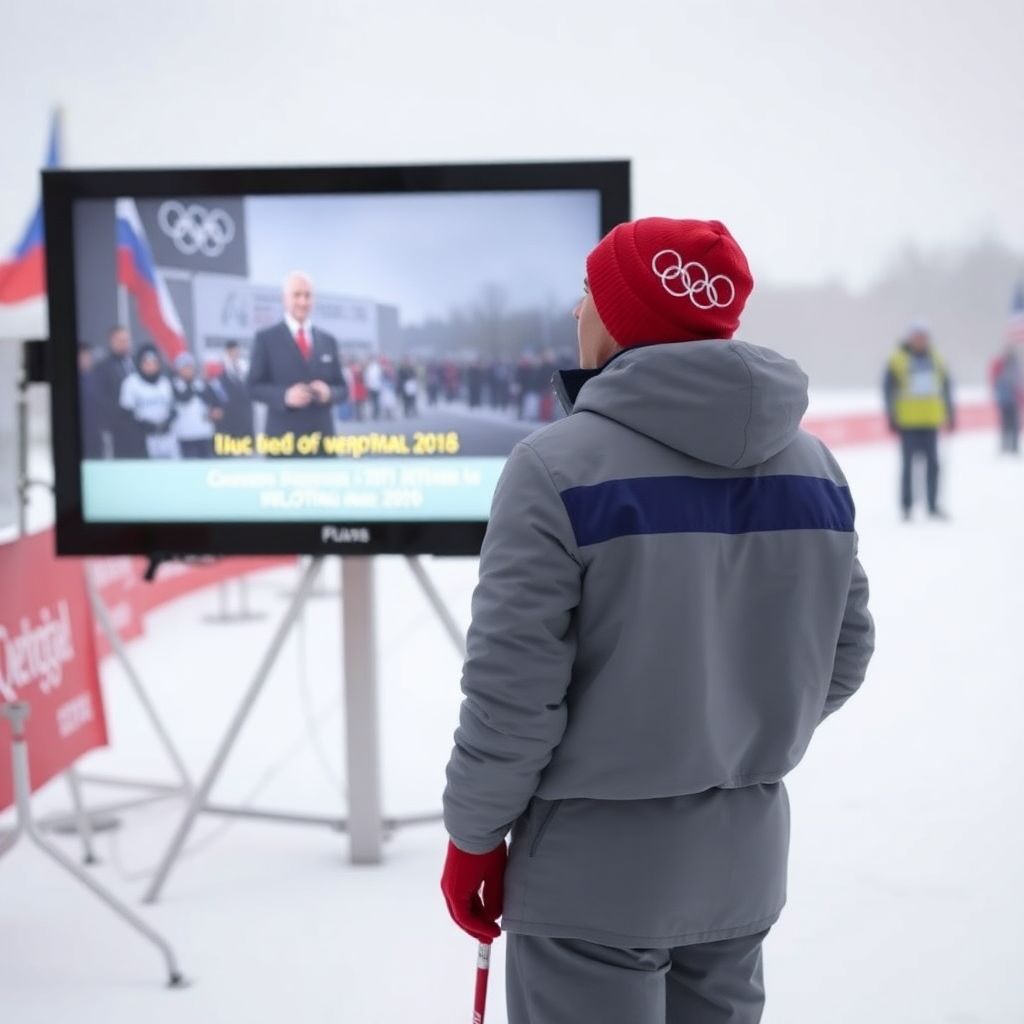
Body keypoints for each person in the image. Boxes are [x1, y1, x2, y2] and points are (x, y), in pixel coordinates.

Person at [440, 218, 875, 1024]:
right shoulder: (815, 467)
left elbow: (513, 693)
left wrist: (473, 836)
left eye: (589, 296)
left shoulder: (553, 468)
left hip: (589, 877)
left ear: (621, 320)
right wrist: (734, 731)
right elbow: (843, 653)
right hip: (743, 863)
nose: (577, 313)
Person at [247, 271, 347, 453]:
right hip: (283, 442)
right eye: (297, 295)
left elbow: (343, 388)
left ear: (313, 299)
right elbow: (252, 387)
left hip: (323, 442)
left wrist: (329, 393)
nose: (303, 302)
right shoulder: (266, 339)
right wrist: (284, 396)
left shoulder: (328, 341)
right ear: (285, 299)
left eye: (307, 295)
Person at [883, 323, 955, 520]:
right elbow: (888, 390)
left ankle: (932, 506)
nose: (920, 341)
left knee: (934, 466)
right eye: (917, 337)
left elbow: (947, 387)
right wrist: (891, 415)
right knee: (908, 466)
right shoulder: (898, 360)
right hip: (908, 422)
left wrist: (950, 414)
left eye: (923, 337)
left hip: (931, 421)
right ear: (910, 339)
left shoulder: (937, 359)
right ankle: (906, 507)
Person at [91, 325, 147, 458]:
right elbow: (102, 398)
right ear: (111, 341)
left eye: (127, 340)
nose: (124, 344)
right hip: (119, 427)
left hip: (142, 427)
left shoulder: (137, 363)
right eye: (120, 340)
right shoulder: (103, 367)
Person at [119, 343, 178, 459]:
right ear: (140, 364)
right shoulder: (131, 383)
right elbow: (126, 413)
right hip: (142, 438)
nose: (151, 366)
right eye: (147, 363)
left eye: (154, 363)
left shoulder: (165, 382)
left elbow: (173, 409)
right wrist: (144, 425)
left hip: (166, 436)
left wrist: (167, 422)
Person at [171, 352, 221, 458]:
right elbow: (184, 398)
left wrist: (214, 411)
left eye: (190, 367)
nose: (188, 370)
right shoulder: (175, 385)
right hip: (185, 436)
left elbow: (215, 401)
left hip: (204, 434)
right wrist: (192, 387)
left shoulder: (201, 384)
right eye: (185, 367)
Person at [213, 340, 255, 442]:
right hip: (227, 415)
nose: (234, 354)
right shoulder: (220, 369)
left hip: (244, 415)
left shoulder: (245, 368)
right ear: (227, 352)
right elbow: (216, 389)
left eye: (236, 351)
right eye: (231, 352)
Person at [991, 344, 1022, 454]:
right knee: (1009, 424)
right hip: (1007, 400)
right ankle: (1008, 446)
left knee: (1011, 425)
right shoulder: (1003, 365)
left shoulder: (1012, 365)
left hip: (1009, 399)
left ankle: (1010, 446)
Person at [77, 342, 104, 459]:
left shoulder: (97, 378)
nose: (87, 359)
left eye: (88, 355)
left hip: (96, 432)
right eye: (83, 356)